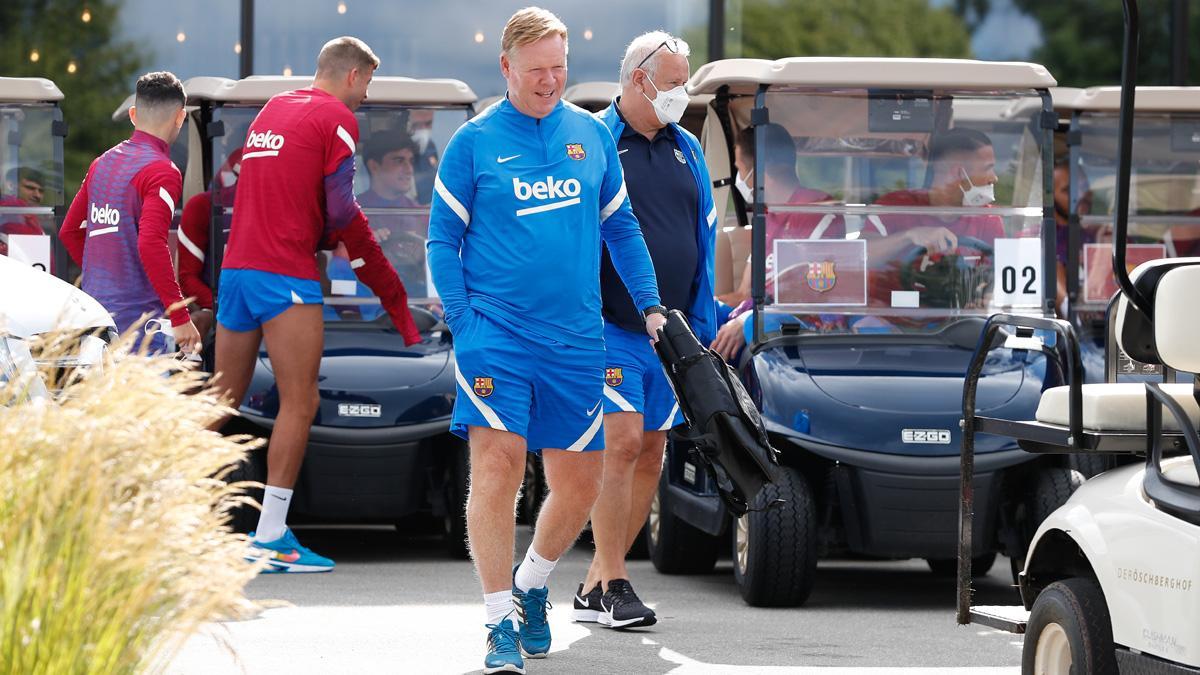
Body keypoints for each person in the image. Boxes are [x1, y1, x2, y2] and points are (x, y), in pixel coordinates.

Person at [426, 8, 664, 673]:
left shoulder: (589, 135)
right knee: (499, 464)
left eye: (559, 68)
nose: (550, 81)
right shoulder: (473, 143)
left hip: (577, 341)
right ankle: (498, 618)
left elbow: (623, 232)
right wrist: (466, 326)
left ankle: (533, 583)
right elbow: (442, 241)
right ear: (506, 68)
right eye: (537, 71)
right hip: (496, 336)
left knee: (581, 483)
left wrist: (649, 305)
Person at [210, 36, 421, 574]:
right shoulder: (337, 119)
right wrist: (364, 266)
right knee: (299, 402)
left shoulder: (274, 108)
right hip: (284, 274)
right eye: (367, 84)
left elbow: (269, 190)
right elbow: (342, 207)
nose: (366, 97)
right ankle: (271, 536)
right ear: (351, 76)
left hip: (236, 271)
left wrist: (325, 234)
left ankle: (177, 525)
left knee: (218, 406)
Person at [570, 30, 718, 631]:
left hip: (673, 333)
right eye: (676, 81)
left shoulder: (688, 146)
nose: (683, 92)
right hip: (608, 325)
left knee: (651, 452)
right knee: (622, 442)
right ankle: (617, 583)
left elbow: (702, 234)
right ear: (639, 78)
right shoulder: (596, 139)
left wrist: (703, 323)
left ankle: (592, 585)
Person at [58, 72, 201, 356]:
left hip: (95, 319)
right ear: (180, 118)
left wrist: (103, 279)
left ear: (133, 114)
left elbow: (69, 232)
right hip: (139, 326)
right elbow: (151, 243)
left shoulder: (101, 163)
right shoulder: (163, 171)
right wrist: (180, 316)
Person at [711, 123, 845, 361]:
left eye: (740, 170)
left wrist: (747, 319)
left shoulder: (819, 213)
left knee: (756, 327)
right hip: (761, 316)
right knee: (699, 317)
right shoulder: (767, 219)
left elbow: (816, 290)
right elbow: (746, 293)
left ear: (760, 171)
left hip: (802, 324)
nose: (739, 179)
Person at [357, 129, 427, 290]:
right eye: (399, 160)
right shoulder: (352, 213)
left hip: (416, 303)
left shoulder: (420, 214)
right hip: (367, 305)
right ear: (374, 166)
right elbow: (338, 268)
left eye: (411, 161)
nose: (409, 169)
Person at [1, 167, 48, 258]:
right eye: (30, 188)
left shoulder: (31, 215)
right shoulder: (10, 212)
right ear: (10, 186)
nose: (37, 195)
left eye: (41, 191)